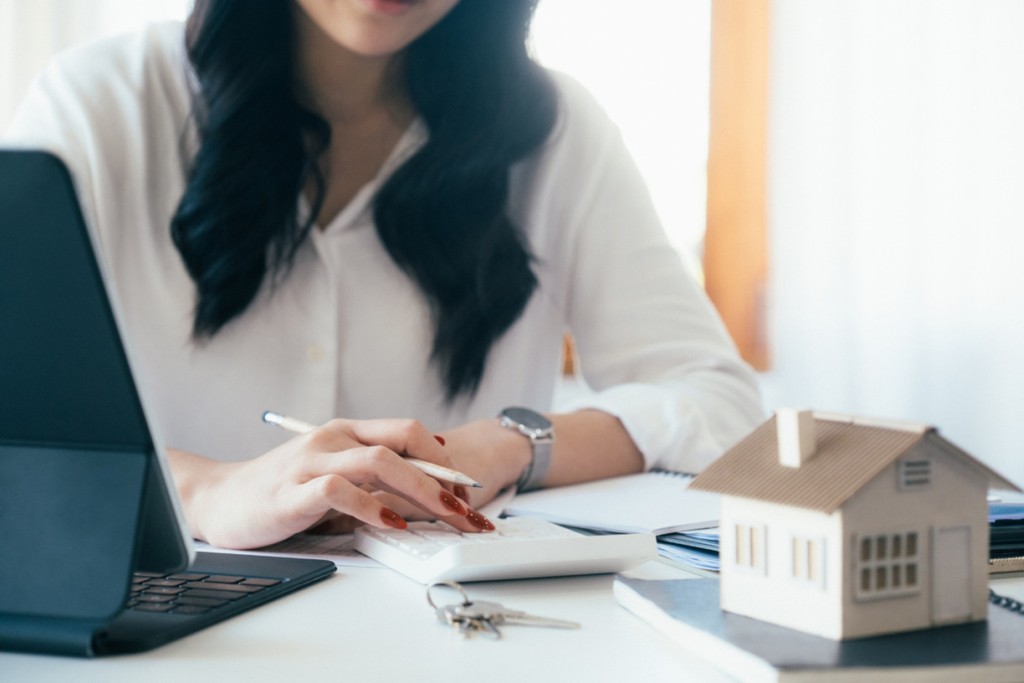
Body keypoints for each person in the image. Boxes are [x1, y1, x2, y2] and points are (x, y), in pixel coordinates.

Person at [3, 0, 763, 550]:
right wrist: (204, 490)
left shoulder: (556, 130)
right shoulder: (101, 104)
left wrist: (509, 445)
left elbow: (717, 400)